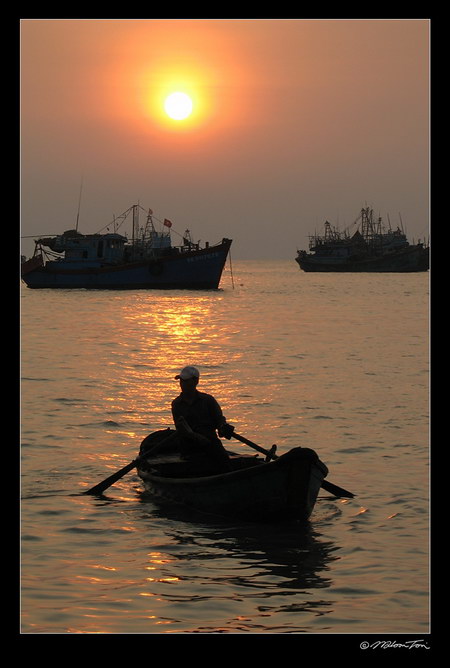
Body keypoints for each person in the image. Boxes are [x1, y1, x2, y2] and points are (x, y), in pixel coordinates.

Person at [171, 365, 234, 472]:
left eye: (186, 381)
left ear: (196, 381)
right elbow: (181, 428)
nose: (182, 384)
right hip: (189, 446)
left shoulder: (208, 400)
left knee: (224, 463)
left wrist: (223, 427)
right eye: (181, 381)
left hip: (210, 442)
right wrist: (196, 437)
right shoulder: (177, 404)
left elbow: (219, 419)